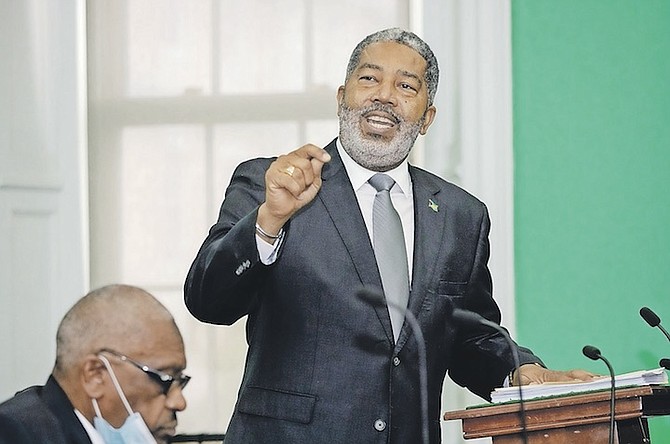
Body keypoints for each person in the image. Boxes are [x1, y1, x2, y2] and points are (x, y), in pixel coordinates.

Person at [184, 28, 593, 443]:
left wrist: (519, 371)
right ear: (342, 96)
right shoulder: (272, 184)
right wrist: (269, 219)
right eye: (369, 79)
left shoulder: (460, 216)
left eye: (406, 86)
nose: (384, 95)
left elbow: (470, 334)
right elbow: (207, 301)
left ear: (427, 117)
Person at [0, 284, 190, 444]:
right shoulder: (15, 434)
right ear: (95, 375)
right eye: (165, 379)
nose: (179, 403)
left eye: (180, 381)